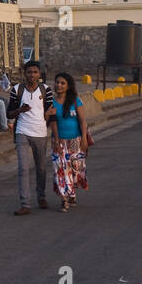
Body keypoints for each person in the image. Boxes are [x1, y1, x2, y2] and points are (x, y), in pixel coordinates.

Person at [9, 60, 55, 215]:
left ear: (39, 74)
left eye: (35, 72)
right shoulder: (16, 90)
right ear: (24, 73)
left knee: (41, 167)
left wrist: (48, 125)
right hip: (22, 131)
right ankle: (25, 204)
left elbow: (50, 111)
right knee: (23, 167)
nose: (32, 75)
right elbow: (9, 113)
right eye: (29, 72)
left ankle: (41, 196)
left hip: (40, 133)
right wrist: (20, 110)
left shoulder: (46, 90)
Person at [49, 72, 89, 211]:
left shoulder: (75, 101)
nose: (58, 85)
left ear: (68, 86)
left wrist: (84, 138)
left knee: (74, 169)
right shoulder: (51, 102)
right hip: (59, 140)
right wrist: (56, 140)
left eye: (62, 83)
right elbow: (52, 122)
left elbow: (82, 120)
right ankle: (64, 200)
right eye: (57, 82)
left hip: (75, 140)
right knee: (60, 169)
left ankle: (72, 194)